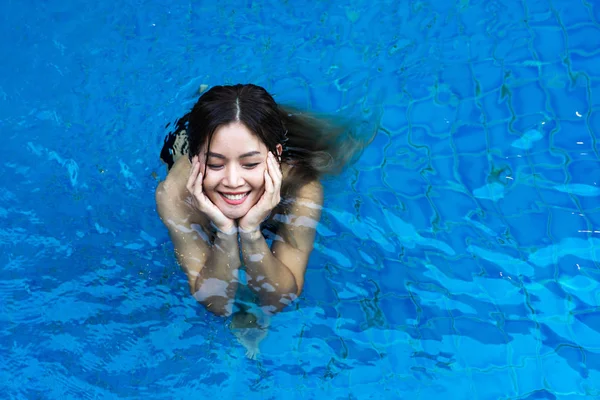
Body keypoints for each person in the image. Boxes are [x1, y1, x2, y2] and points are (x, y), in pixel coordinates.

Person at [155, 84, 364, 320]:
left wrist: (250, 232)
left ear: (275, 155)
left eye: (250, 164)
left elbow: (279, 300)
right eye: (215, 164)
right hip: (185, 138)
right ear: (196, 160)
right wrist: (224, 232)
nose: (233, 181)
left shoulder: (301, 188)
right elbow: (215, 303)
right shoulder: (174, 195)